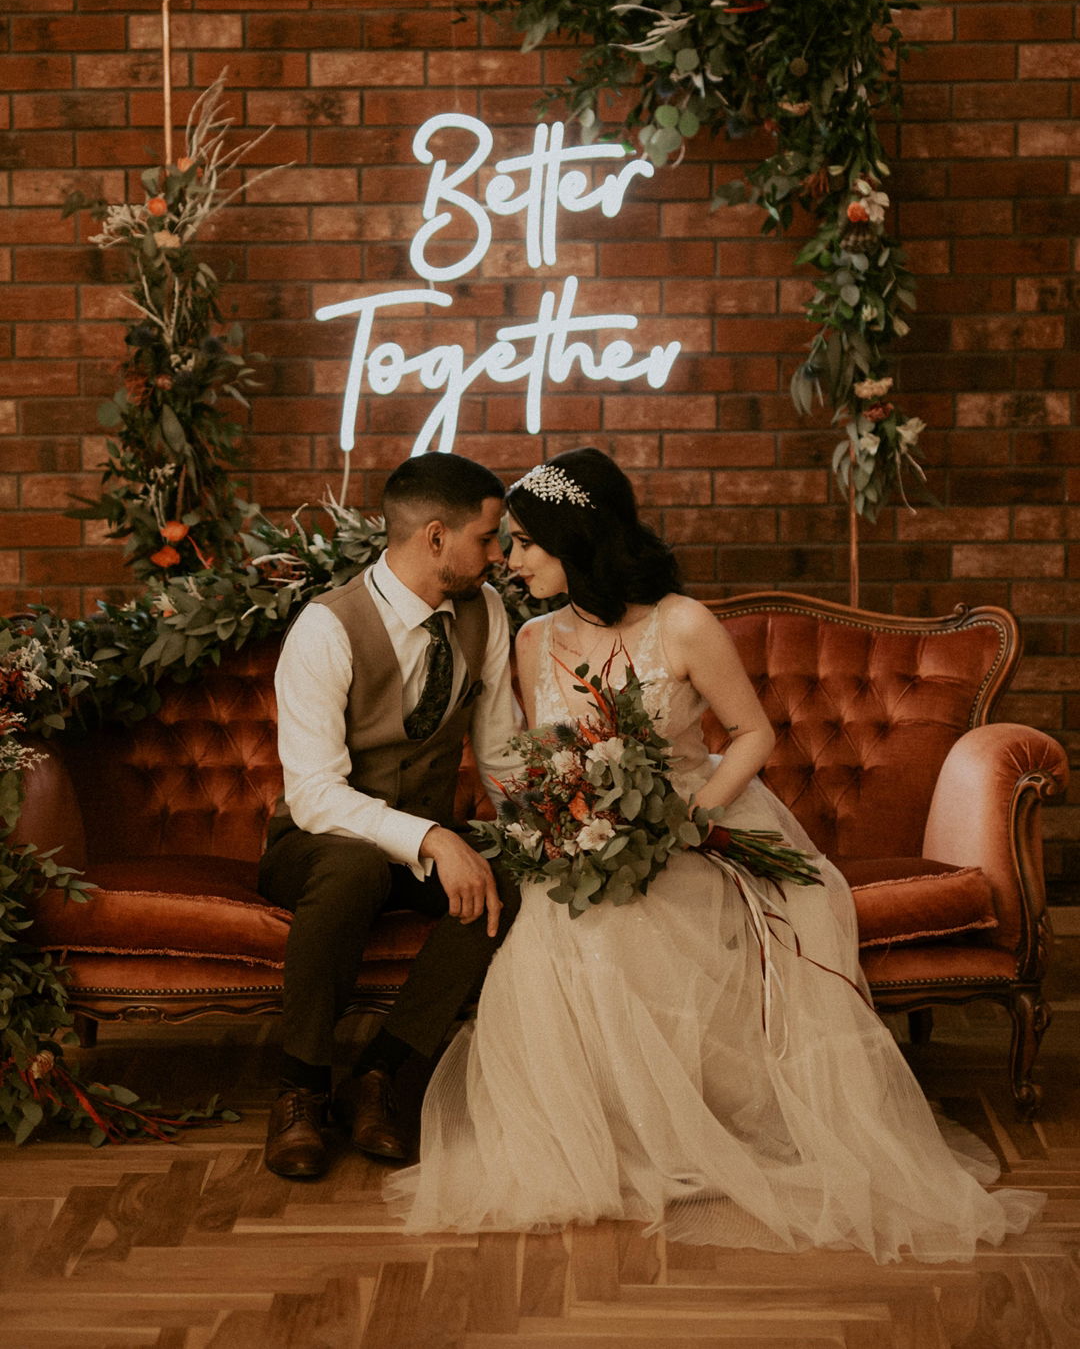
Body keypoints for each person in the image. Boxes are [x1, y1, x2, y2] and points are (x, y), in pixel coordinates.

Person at [385, 446, 1044, 1262]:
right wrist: (565, 820)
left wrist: (681, 821)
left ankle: (705, 1123)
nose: (510, 562)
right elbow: (545, 757)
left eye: (524, 543)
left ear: (576, 540)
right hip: (593, 840)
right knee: (560, 924)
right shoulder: (531, 638)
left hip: (702, 825)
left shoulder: (682, 624)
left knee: (650, 920)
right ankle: (607, 1129)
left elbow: (752, 734)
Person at [259, 451, 521, 1179]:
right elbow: (315, 794)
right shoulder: (326, 628)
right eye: (487, 537)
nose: (498, 555)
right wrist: (433, 838)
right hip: (316, 844)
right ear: (436, 537)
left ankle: (381, 1075)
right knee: (352, 867)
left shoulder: (485, 612)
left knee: (510, 878)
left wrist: (546, 830)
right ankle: (301, 1090)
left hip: (417, 845)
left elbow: (500, 750)